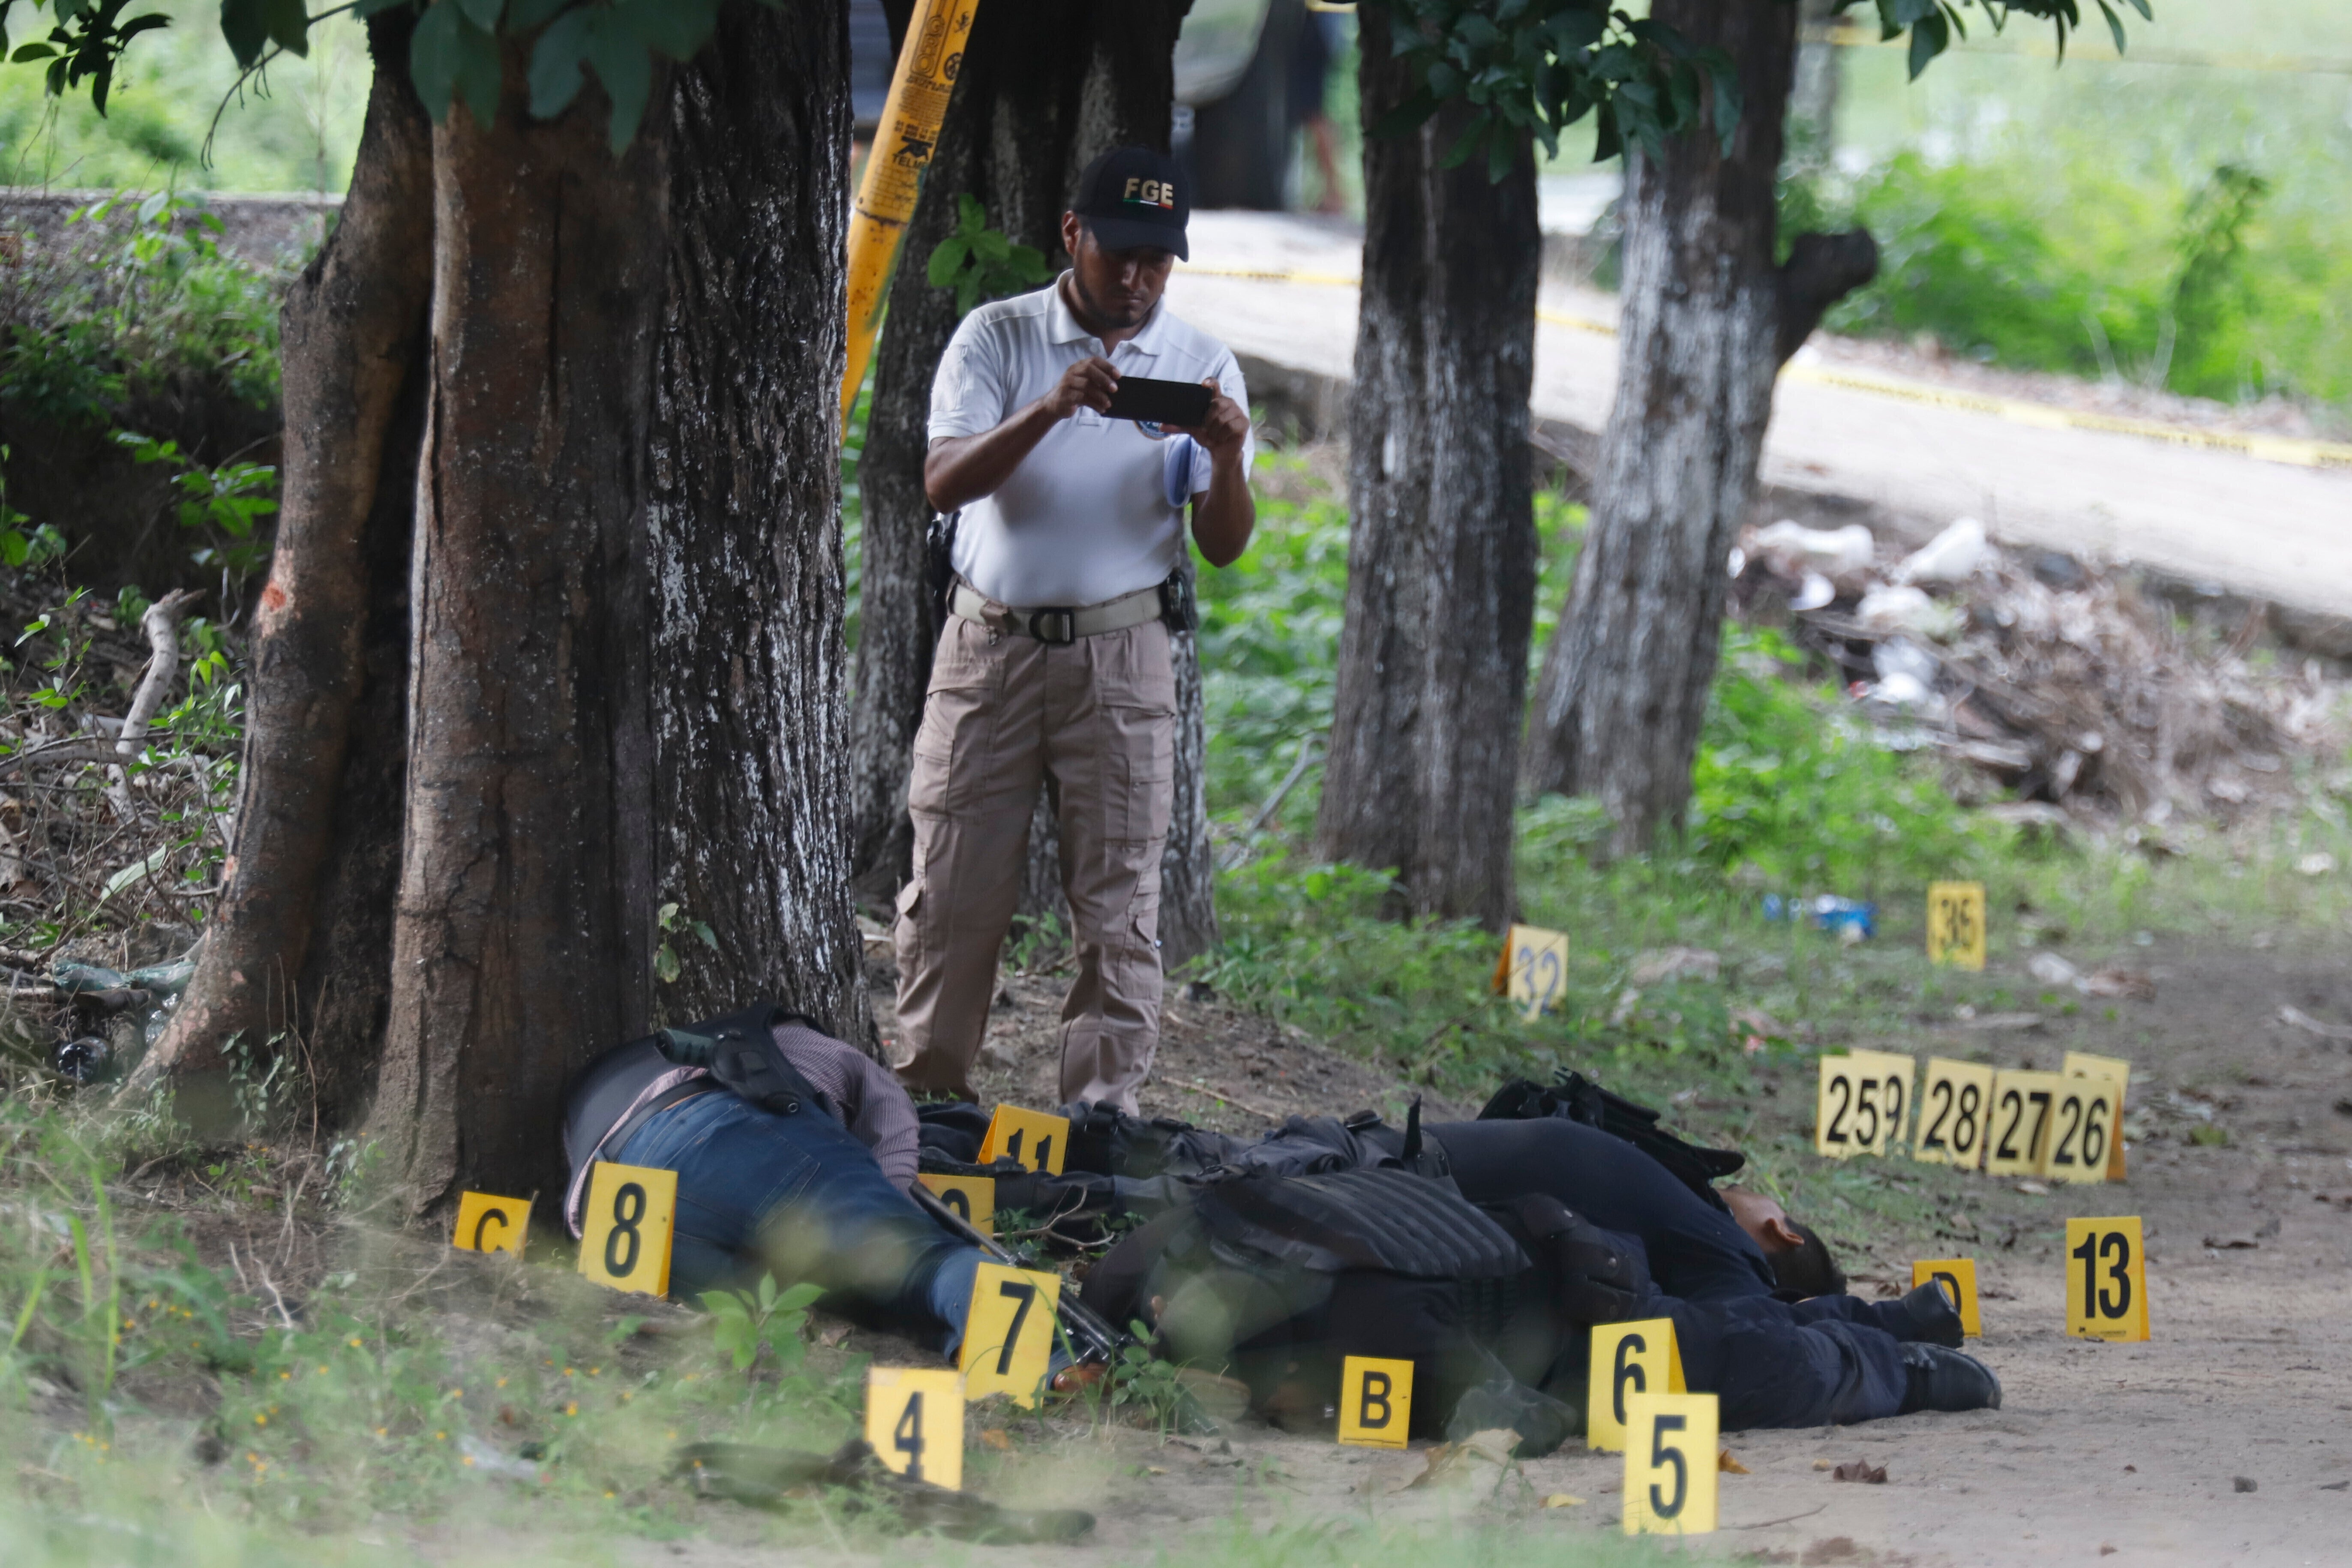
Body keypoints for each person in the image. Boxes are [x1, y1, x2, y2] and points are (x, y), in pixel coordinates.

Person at [894, 144, 1256, 1113]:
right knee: (954, 882)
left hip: (1123, 655)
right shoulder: (997, 337)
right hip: (989, 646)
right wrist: (1052, 407)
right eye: (1119, 255)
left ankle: (1100, 1120)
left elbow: (1223, 546)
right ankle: (931, 1097)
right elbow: (944, 481)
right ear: (1072, 236)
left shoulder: (1201, 364)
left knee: (1119, 901)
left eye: (1159, 261)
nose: (1137, 280)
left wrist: (1228, 460)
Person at [561, 1004, 980, 1350]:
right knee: (922, 1264)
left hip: (613, 1200)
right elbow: (895, 1156)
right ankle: (1043, 1357)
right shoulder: (834, 1055)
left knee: (869, 1305)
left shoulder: (615, 1072)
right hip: (721, 1127)